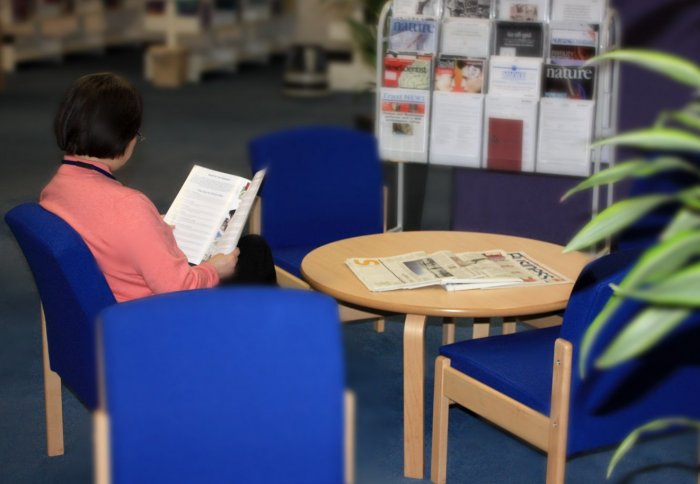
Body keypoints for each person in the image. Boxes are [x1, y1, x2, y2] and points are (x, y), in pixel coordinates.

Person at [40, 72, 276, 303]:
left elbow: (100, 226)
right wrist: (214, 270)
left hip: (107, 299)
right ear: (123, 136)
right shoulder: (128, 205)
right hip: (149, 316)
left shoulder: (56, 186)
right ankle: (259, 335)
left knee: (247, 251)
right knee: (254, 251)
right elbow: (178, 288)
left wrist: (151, 227)